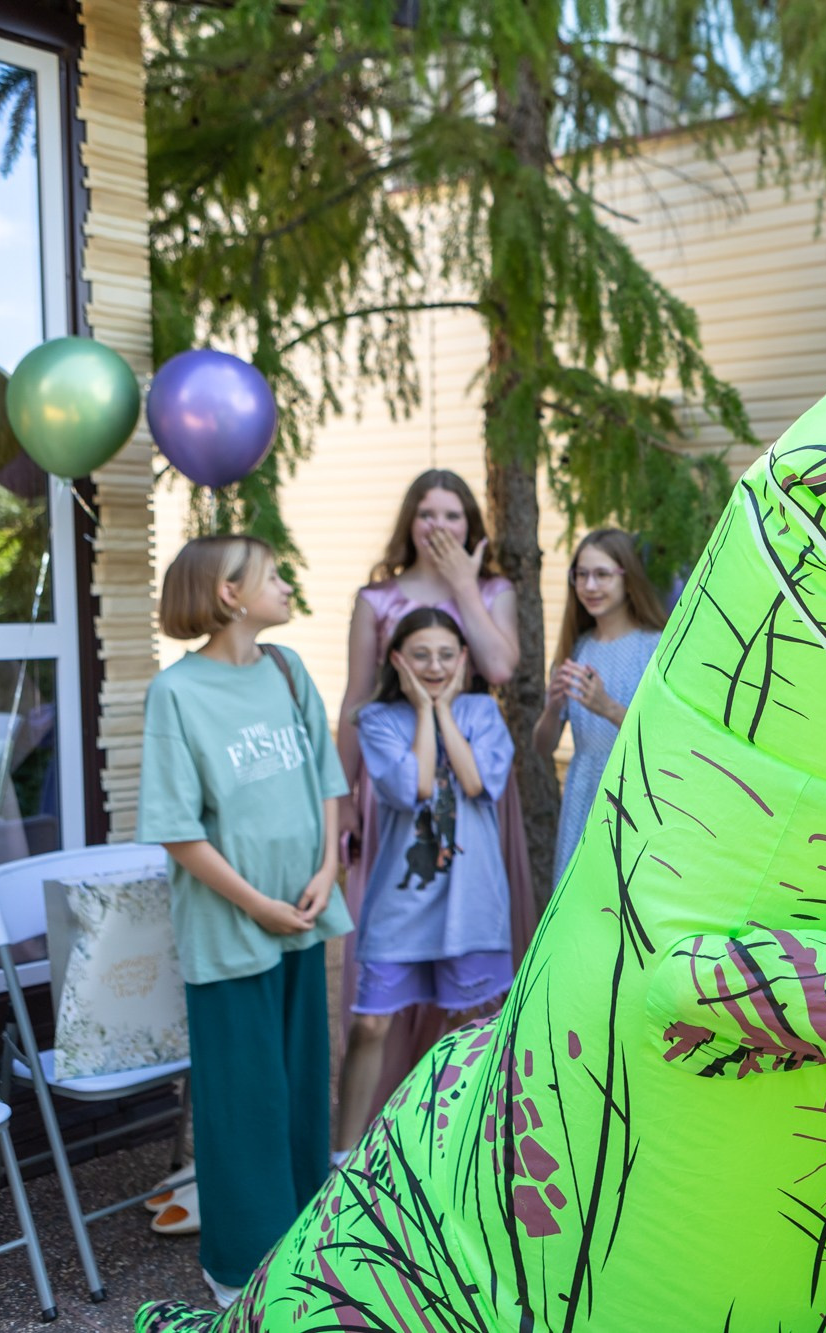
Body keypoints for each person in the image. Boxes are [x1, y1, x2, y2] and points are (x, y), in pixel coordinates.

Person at [137, 536, 350, 1310]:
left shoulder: (290, 671)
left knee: (300, 1090)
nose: (287, 584)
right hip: (232, 931)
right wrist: (256, 903)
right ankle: (241, 1267)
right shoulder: (177, 693)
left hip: (303, 916)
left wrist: (328, 867)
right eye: (273, 575)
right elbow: (175, 826)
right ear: (230, 595)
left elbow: (325, 779)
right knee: (243, 1097)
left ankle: (308, 1240)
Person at [334, 469, 537, 1132]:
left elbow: (501, 666)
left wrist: (461, 590)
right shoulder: (378, 597)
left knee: (464, 954)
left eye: (453, 514)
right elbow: (355, 701)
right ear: (409, 521)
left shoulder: (491, 590)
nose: (440, 526)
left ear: (471, 525)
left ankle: (450, 1115)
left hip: (469, 781)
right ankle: (375, 1117)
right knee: (390, 953)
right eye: (427, 513)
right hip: (394, 783)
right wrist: (342, 801)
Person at [336, 609, 514, 1154]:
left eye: (445, 654)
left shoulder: (482, 711)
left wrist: (441, 710)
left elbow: (476, 781)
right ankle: (340, 1157)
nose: (434, 665)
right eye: (420, 655)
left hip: (472, 902)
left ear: (463, 658)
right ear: (397, 660)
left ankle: (446, 1148)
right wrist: (422, 710)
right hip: (402, 903)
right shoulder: (377, 720)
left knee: (469, 1028)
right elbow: (412, 786)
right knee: (370, 1026)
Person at [531, 529, 667, 886]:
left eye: (602, 574)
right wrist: (552, 706)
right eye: (581, 574)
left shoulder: (653, 647)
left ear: (628, 577)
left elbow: (665, 738)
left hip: (636, 794)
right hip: (582, 792)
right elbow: (542, 746)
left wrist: (607, 707)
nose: (590, 585)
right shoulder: (576, 648)